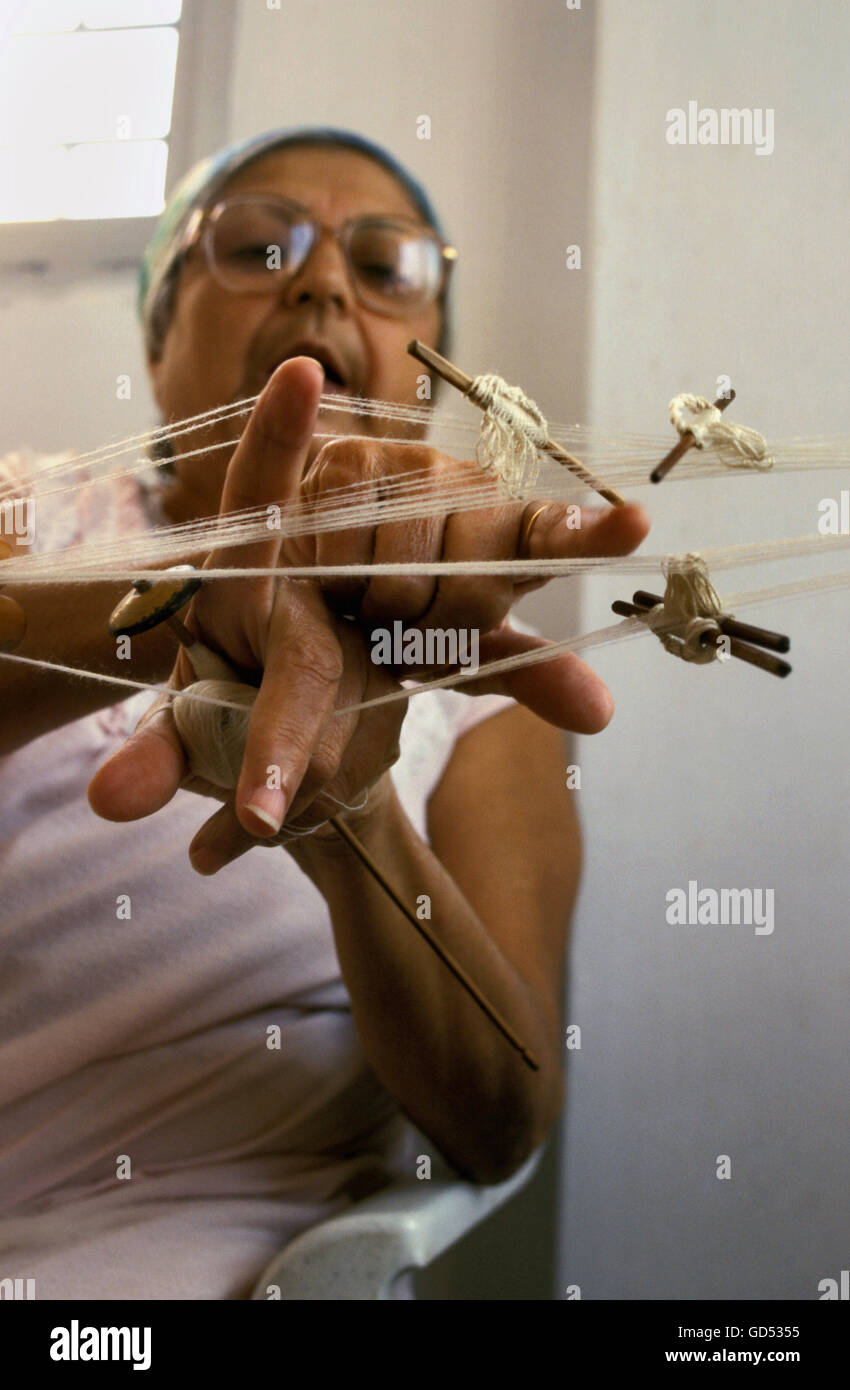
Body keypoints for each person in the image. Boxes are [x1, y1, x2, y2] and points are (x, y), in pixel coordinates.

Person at [0, 128, 650, 1299]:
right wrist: (191, 601)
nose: (319, 282)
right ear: (157, 347)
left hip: (166, 1257)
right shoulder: (29, 511)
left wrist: (341, 812)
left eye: (384, 264)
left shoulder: (487, 688)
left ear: (429, 370)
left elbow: (500, 1117)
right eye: (255, 246)